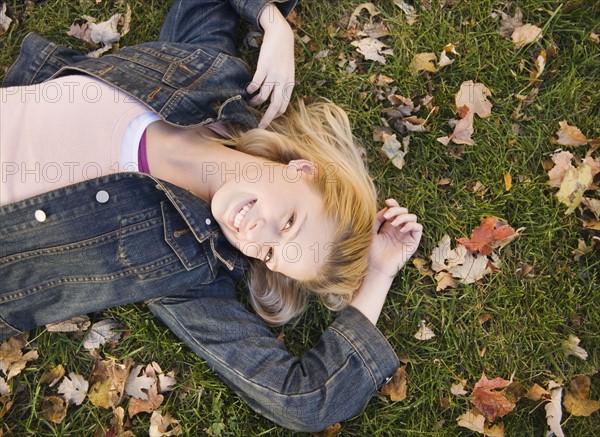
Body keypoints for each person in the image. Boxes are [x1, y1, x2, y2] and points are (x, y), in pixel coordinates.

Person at [0, 0, 422, 432]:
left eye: (271, 254)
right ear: (302, 169)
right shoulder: (211, 81)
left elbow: (305, 401)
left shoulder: (189, 271)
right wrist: (274, 24)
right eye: (290, 221)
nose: (256, 235)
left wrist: (378, 276)